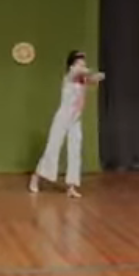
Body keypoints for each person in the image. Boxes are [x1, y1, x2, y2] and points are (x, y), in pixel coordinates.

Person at [29, 50, 104, 198]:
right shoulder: (69, 76)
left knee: (75, 151)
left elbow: (95, 78)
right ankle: (36, 178)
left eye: (83, 62)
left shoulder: (83, 80)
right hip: (63, 118)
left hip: (75, 120)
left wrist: (98, 76)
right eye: (79, 63)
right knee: (53, 148)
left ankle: (71, 186)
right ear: (72, 65)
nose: (82, 65)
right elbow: (81, 72)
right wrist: (87, 72)